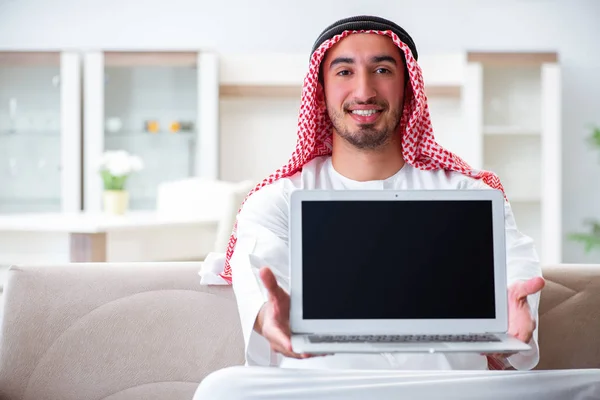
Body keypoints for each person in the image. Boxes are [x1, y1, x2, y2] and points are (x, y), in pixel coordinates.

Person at [193, 15, 600, 400]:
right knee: (221, 389)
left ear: (408, 87)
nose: (365, 90)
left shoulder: (468, 192)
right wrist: (270, 320)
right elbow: (258, 279)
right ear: (321, 89)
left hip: (447, 390)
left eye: (383, 70)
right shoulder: (277, 199)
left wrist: (516, 328)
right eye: (345, 71)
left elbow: (516, 277)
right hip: (323, 390)